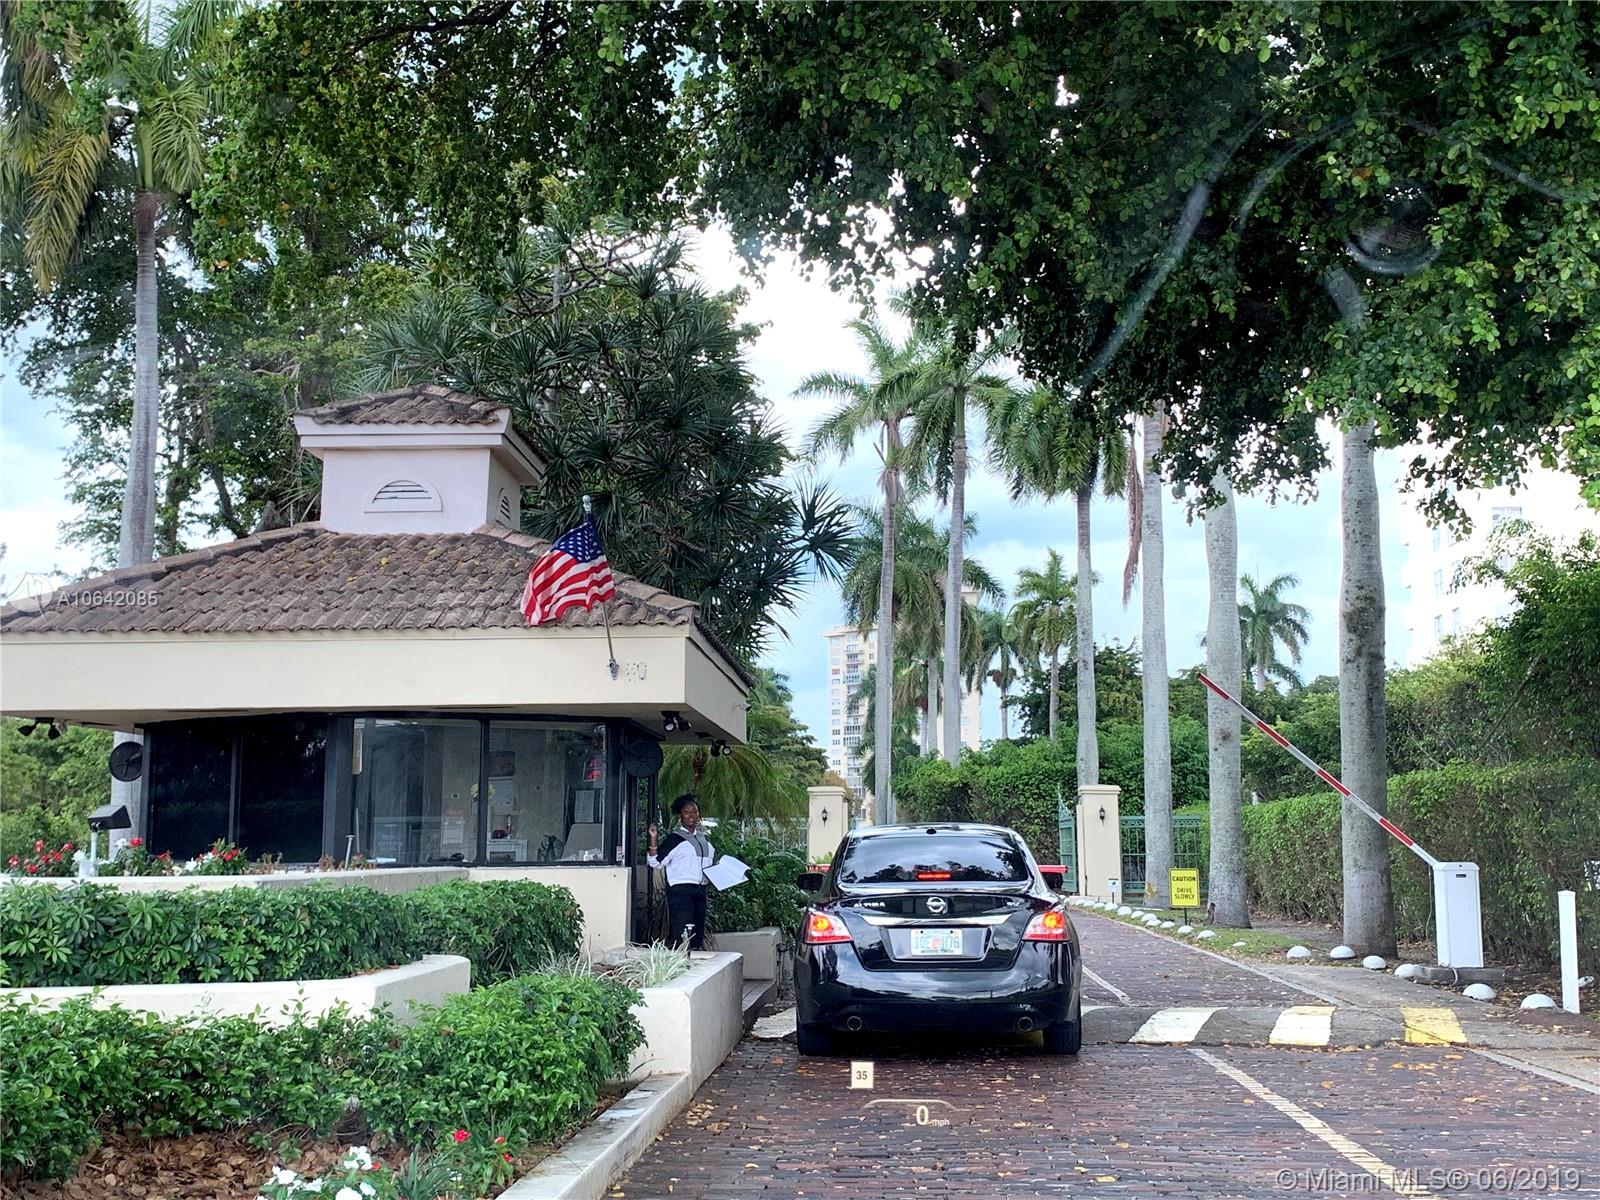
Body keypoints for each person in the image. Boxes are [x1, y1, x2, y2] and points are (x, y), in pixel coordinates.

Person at [647, 793, 715, 950]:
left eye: (694, 812)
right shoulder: (675, 839)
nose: (691, 815)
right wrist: (653, 839)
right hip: (681, 891)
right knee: (682, 931)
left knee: (697, 934)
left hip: (701, 890)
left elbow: (708, 864)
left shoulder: (705, 840)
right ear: (680, 816)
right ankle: (679, 959)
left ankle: (695, 959)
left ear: (699, 815)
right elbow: (655, 862)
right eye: (686, 812)